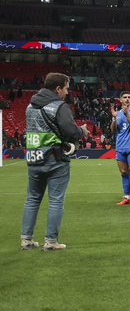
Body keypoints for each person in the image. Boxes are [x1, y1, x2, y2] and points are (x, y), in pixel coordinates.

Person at [21, 72, 89, 251]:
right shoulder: (60, 106)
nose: (67, 92)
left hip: (33, 159)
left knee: (32, 199)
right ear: (58, 88)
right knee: (56, 201)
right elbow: (70, 131)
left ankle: (26, 240)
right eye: (66, 88)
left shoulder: (30, 106)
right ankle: (51, 242)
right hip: (54, 159)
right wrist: (82, 131)